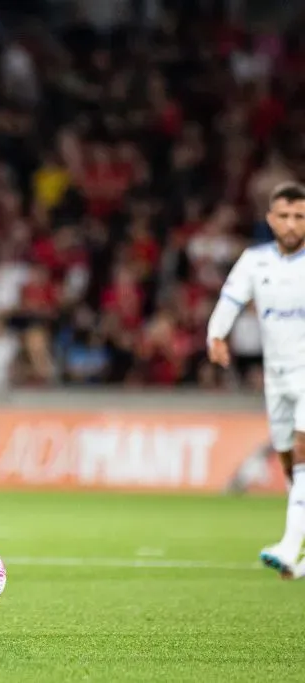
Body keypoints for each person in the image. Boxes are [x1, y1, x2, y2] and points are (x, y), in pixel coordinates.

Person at [207, 181, 305, 580]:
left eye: (299, 217)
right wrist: (215, 335)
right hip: (276, 376)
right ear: (270, 218)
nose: (292, 224)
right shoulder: (254, 260)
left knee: (301, 453)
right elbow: (230, 299)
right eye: (284, 216)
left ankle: (287, 545)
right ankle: (298, 550)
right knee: (287, 459)